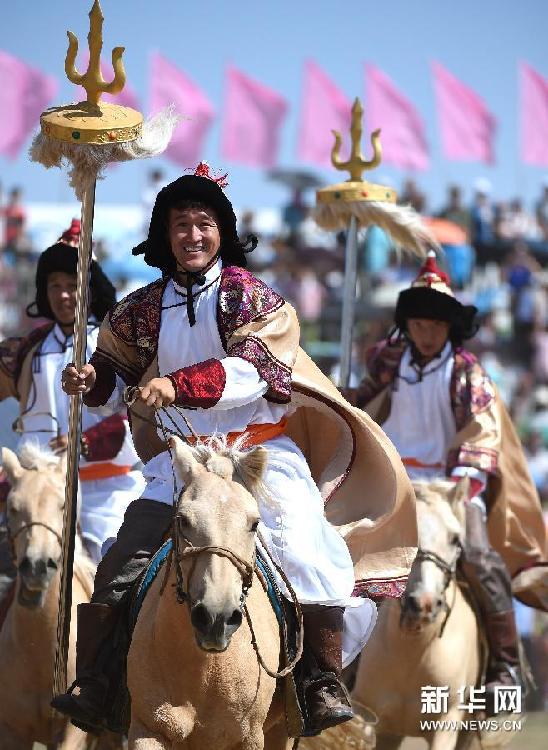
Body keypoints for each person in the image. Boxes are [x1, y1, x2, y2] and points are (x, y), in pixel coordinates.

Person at [52, 163, 417, 735]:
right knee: (120, 567)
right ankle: (97, 683)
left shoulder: (251, 296)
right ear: (163, 234)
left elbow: (257, 371)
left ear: (222, 231)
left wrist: (176, 384)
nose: (192, 236)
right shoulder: (142, 306)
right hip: (184, 466)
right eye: (180, 225)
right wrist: (88, 381)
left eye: (204, 224)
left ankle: (318, 684)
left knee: (308, 557)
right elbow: (111, 370)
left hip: (257, 460)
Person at [348, 251, 548, 715]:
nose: (426, 329)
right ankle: (329, 668)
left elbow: (482, 432)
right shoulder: (389, 360)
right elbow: (361, 401)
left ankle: (503, 667)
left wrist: (457, 490)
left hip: (452, 488)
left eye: (436, 321)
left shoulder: (466, 372)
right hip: (396, 487)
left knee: (482, 560)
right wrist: (341, 398)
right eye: (418, 320)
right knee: (345, 560)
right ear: (408, 323)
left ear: (450, 326)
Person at [0, 221, 145, 568]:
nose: (64, 295)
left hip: (106, 492)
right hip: (39, 492)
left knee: (113, 571)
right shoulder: (26, 349)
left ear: (90, 288)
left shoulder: (116, 344)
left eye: (72, 285)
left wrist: (83, 442)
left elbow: (136, 414)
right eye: (55, 286)